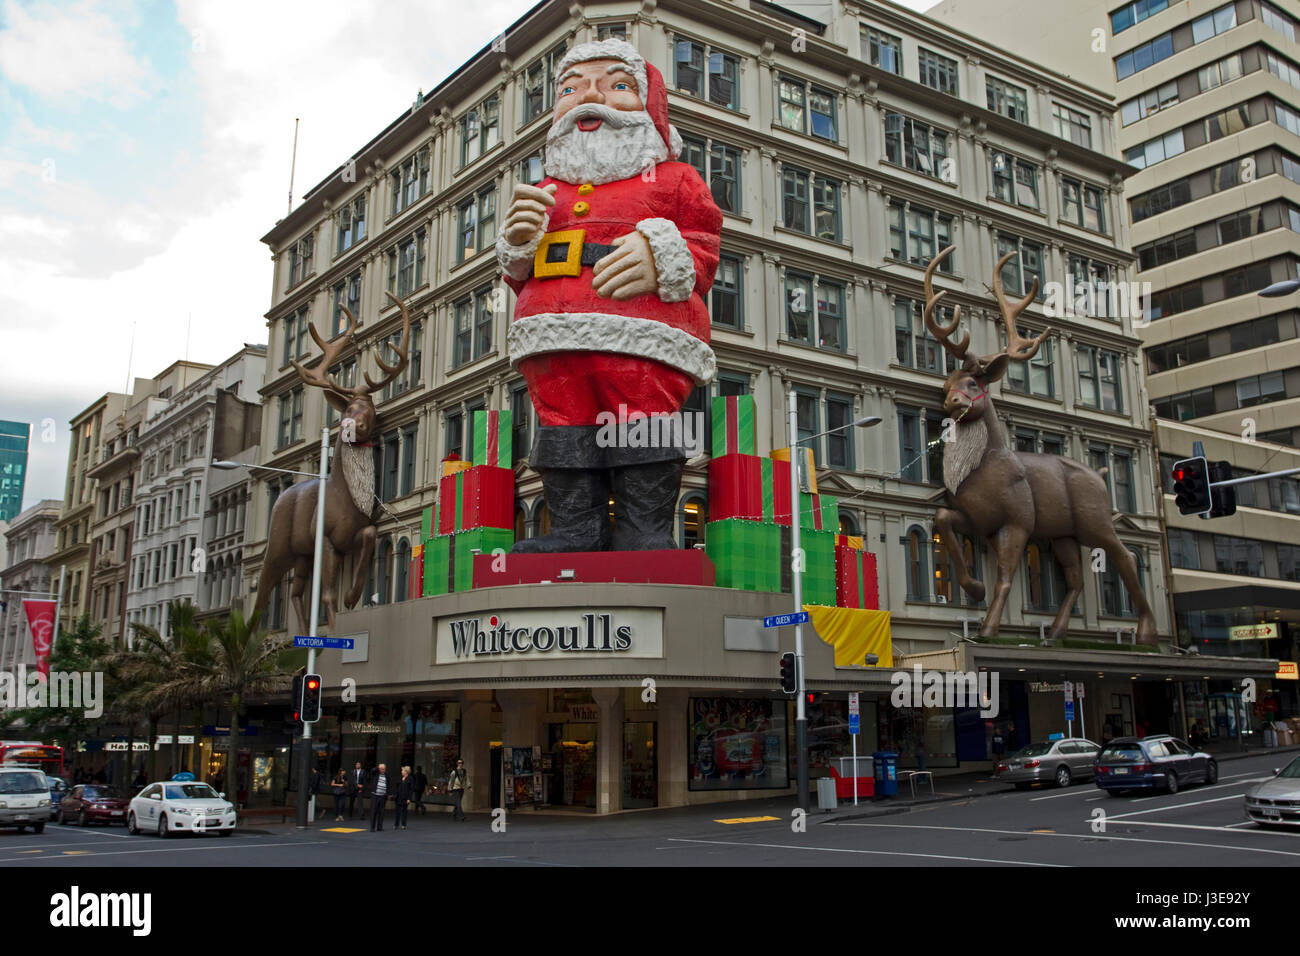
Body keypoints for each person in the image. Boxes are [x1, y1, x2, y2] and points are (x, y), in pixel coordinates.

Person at [496, 38, 723, 554]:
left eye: (616, 85)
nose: (588, 99)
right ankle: (576, 530)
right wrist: (515, 243)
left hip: (643, 343)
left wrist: (662, 254)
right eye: (571, 89)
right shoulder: (546, 191)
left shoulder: (677, 180)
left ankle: (645, 532)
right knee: (563, 431)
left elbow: (704, 248)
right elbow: (517, 272)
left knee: (640, 428)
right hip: (553, 345)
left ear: (649, 106)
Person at [367, 763, 393, 831]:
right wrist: (378, 767)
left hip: (383, 796)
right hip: (375, 795)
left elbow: (389, 785)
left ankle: (379, 827)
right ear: (379, 768)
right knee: (374, 811)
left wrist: (389, 794)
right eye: (382, 769)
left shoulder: (387, 775)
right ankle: (372, 827)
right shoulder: (375, 773)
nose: (383, 770)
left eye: (384, 769)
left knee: (381, 812)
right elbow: (372, 770)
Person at [394, 766, 415, 830]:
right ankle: (396, 824)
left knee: (404, 811)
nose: (401, 771)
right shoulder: (400, 778)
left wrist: (409, 798)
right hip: (398, 797)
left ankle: (403, 825)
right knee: (397, 811)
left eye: (402, 770)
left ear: (406, 772)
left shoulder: (410, 778)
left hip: (405, 797)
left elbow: (411, 789)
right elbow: (397, 786)